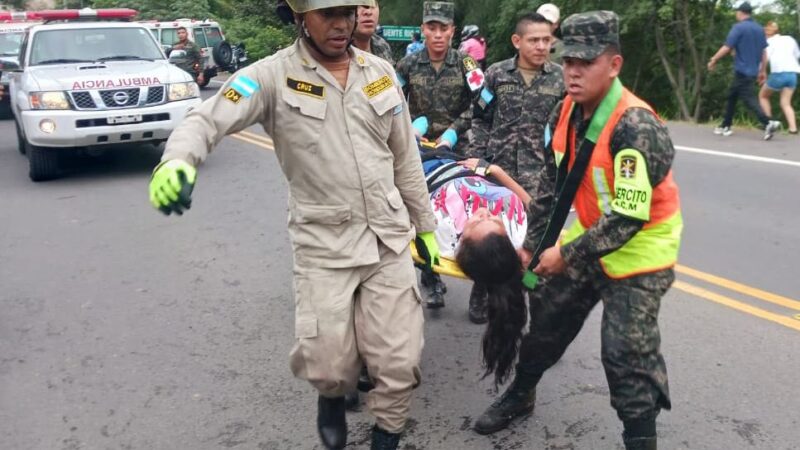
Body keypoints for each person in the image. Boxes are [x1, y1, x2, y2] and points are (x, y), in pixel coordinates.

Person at [147, 1, 439, 449]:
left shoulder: (379, 71)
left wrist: (425, 225)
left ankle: (388, 434)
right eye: (328, 15)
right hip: (324, 245)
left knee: (400, 364)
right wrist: (177, 161)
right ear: (301, 18)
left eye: (347, 11)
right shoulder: (269, 76)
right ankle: (331, 394)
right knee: (328, 365)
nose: (342, 24)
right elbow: (206, 119)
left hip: (387, 238)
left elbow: (405, 158)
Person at [469, 12, 683, 450]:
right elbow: (553, 185)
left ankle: (641, 439)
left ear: (615, 64)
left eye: (587, 62)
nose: (573, 71)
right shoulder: (566, 108)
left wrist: (564, 255)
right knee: (545, 320)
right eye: (569, 61)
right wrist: (533, 247)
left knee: (626, 354)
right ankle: (521, 395)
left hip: (640, 254)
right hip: (589, 240)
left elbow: (628, 216)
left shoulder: (635, 126)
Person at [467, 12, 564, 324]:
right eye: (534, 40)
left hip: (539, 176)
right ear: (517, 41)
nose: (541, 46)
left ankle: (536, 306)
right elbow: (480, 117)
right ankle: (482, 294)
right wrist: (478, 161)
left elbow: (567, 129)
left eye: (546, 40)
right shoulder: (496, 74)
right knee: (492, 237)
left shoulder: (560, 79)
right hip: (497, 171)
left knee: (535, 245)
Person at [396, 1, 484, 309]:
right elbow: (391, 98)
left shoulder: (465, 64)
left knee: (465, 212)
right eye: (431, 28)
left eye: (442, 28)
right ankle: (430, 278)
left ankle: (478, 281)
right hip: (418, 150)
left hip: (457, 148)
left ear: (452, 31)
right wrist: (408, 125)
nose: (437, 34)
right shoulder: (408, 63)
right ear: (423, 30)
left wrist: (455, 129)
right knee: (422, 213)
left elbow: (484, 101)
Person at [708, 1, 780, 140]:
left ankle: (768, 122)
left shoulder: (738, 28)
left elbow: (727, 47)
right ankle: (726, 125)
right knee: (732, 96)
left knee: (748, 99)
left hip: (742, 71)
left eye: (737, 12)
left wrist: (714, 59)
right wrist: (763, 71)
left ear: (740, 13)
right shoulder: (759, 29)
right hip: (752, 71)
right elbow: (764, 52)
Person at [758, 21, 800, 135]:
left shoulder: (768, 42)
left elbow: (764, 59)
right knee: (786, 103)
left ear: (767, 33)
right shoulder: (789, 39)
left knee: (763, 96)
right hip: (793, 74)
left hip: (778, 74)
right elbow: (797, 55)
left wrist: (761, 72)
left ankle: (769, 122)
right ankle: (793, 129)